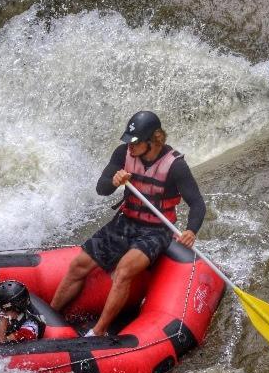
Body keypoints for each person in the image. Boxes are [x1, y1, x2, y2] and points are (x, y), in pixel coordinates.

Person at [50, 111, 206, 337]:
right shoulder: (123, 154)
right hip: (125, 222)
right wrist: (113, 182)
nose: (129, 147)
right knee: (78, 266)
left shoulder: (176, 166)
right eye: (128, 142)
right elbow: (101, 188)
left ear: (154, 141)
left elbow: (198, 204)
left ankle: (99, 331)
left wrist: (191, 230)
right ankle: (51, 316)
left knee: (123, 270)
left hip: (156, 231)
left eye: (135, 142)